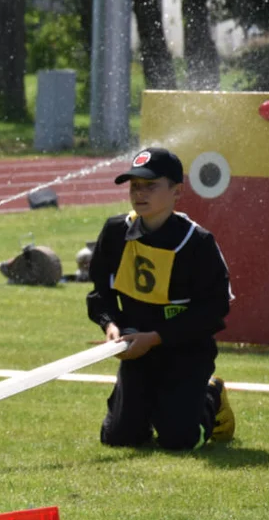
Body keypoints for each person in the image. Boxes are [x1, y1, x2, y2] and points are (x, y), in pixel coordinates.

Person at [86, 147, 236, 451]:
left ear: (177, 191)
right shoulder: (115, 232)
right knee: (120, 439)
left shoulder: (198, 243)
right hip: (135, 351)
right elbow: (99, 294)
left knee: (180, 441)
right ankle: (136, 403)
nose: (139, 193)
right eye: (134, 186)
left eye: (150, 186)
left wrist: (156, 337)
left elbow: (214, 310)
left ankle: (211, 396)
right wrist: (111, 326)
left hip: (185, 352)